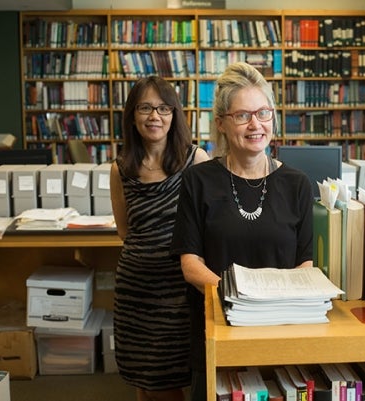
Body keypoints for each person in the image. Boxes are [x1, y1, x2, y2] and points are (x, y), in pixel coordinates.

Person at [170, 62, 314, 400]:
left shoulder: (298, 184)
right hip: (218, 325)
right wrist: (242, 300)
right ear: (220, 122)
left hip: (280, 328)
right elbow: (190, 264)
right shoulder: (197, 180)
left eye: (264, 113)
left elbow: (304, 264)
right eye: (242, 116)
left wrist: (266, 307)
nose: (255, 125)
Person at [110, 75, 209, 401]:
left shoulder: (196, 161)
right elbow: (125, 231)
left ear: (174, 114)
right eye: (146, 108)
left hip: (176, 292)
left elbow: (208, 230)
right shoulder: (121, 167)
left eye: (163, 108)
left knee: (165, 382)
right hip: (134, 291)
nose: (155, 116)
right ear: (132, 115)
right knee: (143, 380)